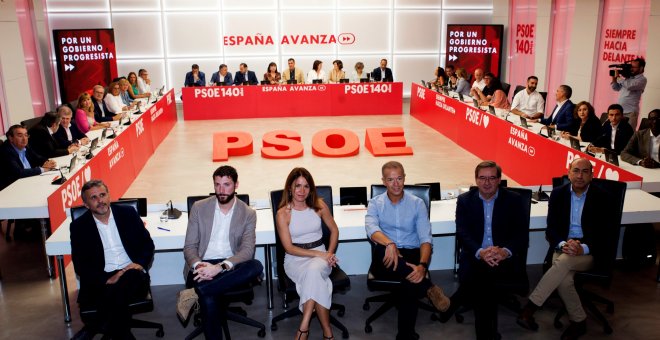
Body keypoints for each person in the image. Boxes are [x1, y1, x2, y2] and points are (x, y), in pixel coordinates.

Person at [517, 158, 615, 340]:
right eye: (576, 170)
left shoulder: (603, 198)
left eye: (585, 172)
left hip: (589, 251)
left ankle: (529, 309)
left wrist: (582, 248)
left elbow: (605, 235)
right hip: (563, 246)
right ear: (569, 173)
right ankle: (579, 322)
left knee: (563, 262)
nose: (580, 176)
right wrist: (563, 244)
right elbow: (551, 228)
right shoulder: (558, 194)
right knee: (564, 280)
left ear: (592, 176)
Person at [365, 161, 450, 340]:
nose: (396, 184)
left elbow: (426, 239)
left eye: (399, 178)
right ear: (383, 181)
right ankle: (428, 287)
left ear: (405, 178)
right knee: (383, 249)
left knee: (409, 284)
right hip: (385, 255)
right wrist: (389, 244)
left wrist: (422, 266)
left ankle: (405, 335)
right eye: (390, 180)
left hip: (411, 254)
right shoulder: (375, 203)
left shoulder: (417, 204)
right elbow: (372, 229)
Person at [444, 161, 528, 340]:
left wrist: (505, 251)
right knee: (485, 280)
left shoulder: (513, 200)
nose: (487, 183)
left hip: (503, 258)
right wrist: (480, 252)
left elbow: (521, 234)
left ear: (499, 180)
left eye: (492, 178)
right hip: (476, 256)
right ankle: (487, 335)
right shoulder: (465, 200)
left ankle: (455, 303)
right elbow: (462, 232)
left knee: (483, 281)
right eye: (482, 178)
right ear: (476, 180)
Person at [183, 165, 264, 340]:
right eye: (217, 185)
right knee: (210, 298)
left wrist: (220, 267)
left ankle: (199, 291)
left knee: (256, 265)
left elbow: (247, 251)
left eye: (226, 184)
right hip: (202, 265)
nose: (221, 190)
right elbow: (189, 246)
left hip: (229, 266)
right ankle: (206, 289)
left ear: (236, 185)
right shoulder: (199, 207)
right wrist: (200, 266)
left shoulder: (248, 213)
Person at [70, 180, 154, 340]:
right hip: (103, 280)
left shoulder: (127, 213)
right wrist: (106, 278)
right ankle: (114, 334)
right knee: (115, 297)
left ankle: (93, 327)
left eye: (102, 195)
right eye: (93, 198)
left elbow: (147, 244)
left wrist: (138, 264)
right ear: (86, 204)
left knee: (127, 278)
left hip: (132, 273)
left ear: (109, 196)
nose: (100, 201)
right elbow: (80, 266)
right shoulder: (79, 226)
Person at [276, 167, 339, 340]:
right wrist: (321, 255)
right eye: (297, 186)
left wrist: (330, 253)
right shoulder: (283, 213)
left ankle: (304, 327)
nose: (301, 191)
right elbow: (289, 248)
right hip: (295, 259)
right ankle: (328, 332)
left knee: (313, 273)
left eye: (306, 186)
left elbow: (334, 230)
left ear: (311, 188)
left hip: (321, 255)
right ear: (290, 187)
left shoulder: (319, 206)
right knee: (316, 280)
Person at [0, 124, 56, 190]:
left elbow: (37, 158)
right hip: (13, 187)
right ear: (11, 138)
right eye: (20, 136)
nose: (24, 139)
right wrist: (43, 169)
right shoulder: (6, 151)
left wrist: (48, 162)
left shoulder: (25, 146)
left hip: (29, 180)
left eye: (26, 135)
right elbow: (19, 173)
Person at [611, 57, 647, 129]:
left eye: (634, 67)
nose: (631, 69)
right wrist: (614, 79)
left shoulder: (642, 80)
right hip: (620, 112)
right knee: (617, 133)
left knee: (629, 135)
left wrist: (618, 77)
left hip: (630, 113)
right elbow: (616, 88)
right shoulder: (628, 78)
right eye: (631, 66)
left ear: (641, 68)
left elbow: (629, 86)